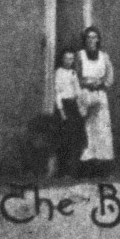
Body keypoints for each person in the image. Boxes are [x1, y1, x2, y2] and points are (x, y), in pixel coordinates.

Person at [77, 26, 115, 176]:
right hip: (85, 94)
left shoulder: (104, 56)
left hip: (100, 95)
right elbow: (76, 76)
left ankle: (103, 166)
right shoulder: (80, 56)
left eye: (94, 37)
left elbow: (110, 76)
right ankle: (87, 167)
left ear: (98, 39)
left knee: (102, 130)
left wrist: (102, 84)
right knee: (88, 130)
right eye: (88, 38)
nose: (91, 40)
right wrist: (87, 83)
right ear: (85, 40)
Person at [53, 48, 86, 177]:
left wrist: (81, 106)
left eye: (71, 59)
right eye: (67, 58)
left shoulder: (73, 73)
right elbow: (57, 92)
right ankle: (63, 170)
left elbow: (77, 90)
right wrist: (61, 111)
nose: (69, 61)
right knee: (65, 138)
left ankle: (74, 170)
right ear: (62, 59)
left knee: (76, 138)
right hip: (64, 106)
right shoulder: (59, 73)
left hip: (73, 106)